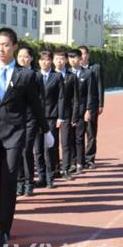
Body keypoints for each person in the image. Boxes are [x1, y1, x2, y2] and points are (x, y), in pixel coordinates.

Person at [0, 28, 52, 247]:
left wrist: (46, 130)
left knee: (8, 182)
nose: (1, 49)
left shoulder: (25, 75)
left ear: (14, 46)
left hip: (14, 137)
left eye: (6, 44)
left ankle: (3, 229)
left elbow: (35, 105)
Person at [34, 50, 65, 188]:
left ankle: (50, 177)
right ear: (38, 61)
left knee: (49, 147)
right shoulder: (33, 76)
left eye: (47, 59)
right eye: (42, 59)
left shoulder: (57, 77)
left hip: (51, 116)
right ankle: (41, 177)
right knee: (38, 149)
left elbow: (61, 98)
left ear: (51, 61)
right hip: (36, 117)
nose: (45, 62)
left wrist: (60, 116)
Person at [16, 46, 44, 194]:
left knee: (26, 150)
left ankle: (29, 182)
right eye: (20, 56)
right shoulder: (13, 74)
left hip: (31, 119)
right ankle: (19, 182)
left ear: (31, 59)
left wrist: (41, 122)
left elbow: (40, 100)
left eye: (26, 56)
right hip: (15, 119)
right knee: (17, 150)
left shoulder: (36, 76)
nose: (23, 59)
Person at [67, 49, 98, 175]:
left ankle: (80, 162)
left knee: (79, 137)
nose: (72, 60)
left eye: (75, 58)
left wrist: (88, 110)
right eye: (70, 58)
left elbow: (91, 93)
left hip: (81, 110)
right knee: (69, 138)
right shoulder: (66, 73)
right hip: (68, 111)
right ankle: (72, 162)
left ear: (80, 59)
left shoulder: (88, 74)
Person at [53, 50, 79, 180]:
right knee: (52, 143)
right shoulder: (49, 75)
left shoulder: (72, 76)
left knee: (66, 143)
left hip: (67, 114)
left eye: (62, 59)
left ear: (66, 60)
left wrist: (74, 117)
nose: (59, 61)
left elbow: (75, 99)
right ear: (53, 60)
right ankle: (55, 169)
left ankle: (66, 169)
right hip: (51, 114)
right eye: (57, 58)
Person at [79, 45, 104, 169]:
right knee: (78, 134)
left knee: (91, 133)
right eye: (79, 54)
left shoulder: (95, 68)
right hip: (77, 107)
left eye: (84, 53)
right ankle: (79, 160)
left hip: (92, 105)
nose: (82, 56)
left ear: (88, 55)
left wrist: (101, 104)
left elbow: (100, 85)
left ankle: (90, 159)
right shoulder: (74, 69)